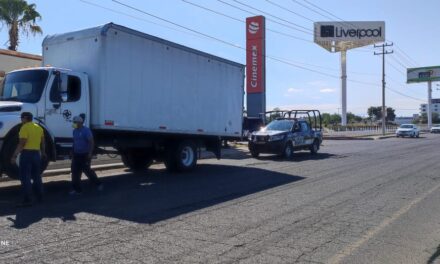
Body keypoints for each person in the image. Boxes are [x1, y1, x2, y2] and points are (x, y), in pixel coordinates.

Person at [11, 112, 46, 206]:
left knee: (25, 177)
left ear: (26, 118)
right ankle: (40, 196)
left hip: (27, 154)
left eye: (22, 118)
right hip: (36, 154)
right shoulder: (39, 127)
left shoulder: (24, 128)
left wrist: (14, 156)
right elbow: (43, 143)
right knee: (37, 176)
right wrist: (43, 153)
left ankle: (28, 199)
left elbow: (22, 143)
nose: (21, 119)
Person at [70, 115, 102, 194]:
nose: (73, 124)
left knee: (87, 171)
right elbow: (74, 142)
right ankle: (77, 189)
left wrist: (90, 153)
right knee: (75, 172)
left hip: (85, 155)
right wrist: (72, 151)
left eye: (75, 122)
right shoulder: (74, 131)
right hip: (76, 154)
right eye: (73, 122)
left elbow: (91, 142)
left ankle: (98, 184)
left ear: (80, 123)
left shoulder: (86, 131)